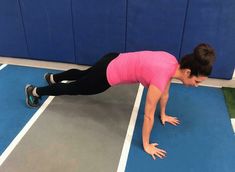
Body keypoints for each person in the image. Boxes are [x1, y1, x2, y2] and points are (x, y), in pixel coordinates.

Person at [25, 43, 216, 160]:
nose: (196, 85)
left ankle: (53, 77)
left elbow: (165, 93)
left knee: (84, 74)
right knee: (74, 88)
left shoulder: (171, 61)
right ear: (188, 72)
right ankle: (35, 91)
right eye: (197, 81)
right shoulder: (161, 77)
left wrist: (164, 114)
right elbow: (148, 115)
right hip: (107, 74)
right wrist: (147, 145)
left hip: (113, 57)